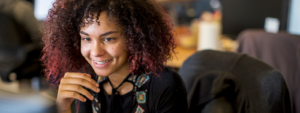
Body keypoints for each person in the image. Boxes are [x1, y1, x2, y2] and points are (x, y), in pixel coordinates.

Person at [41, 0, 188, 113]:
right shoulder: (86, 80)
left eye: (108, 39)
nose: (95, 52)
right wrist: (63, 108)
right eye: (86, 39)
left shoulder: (164, 85)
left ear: (134, 38)